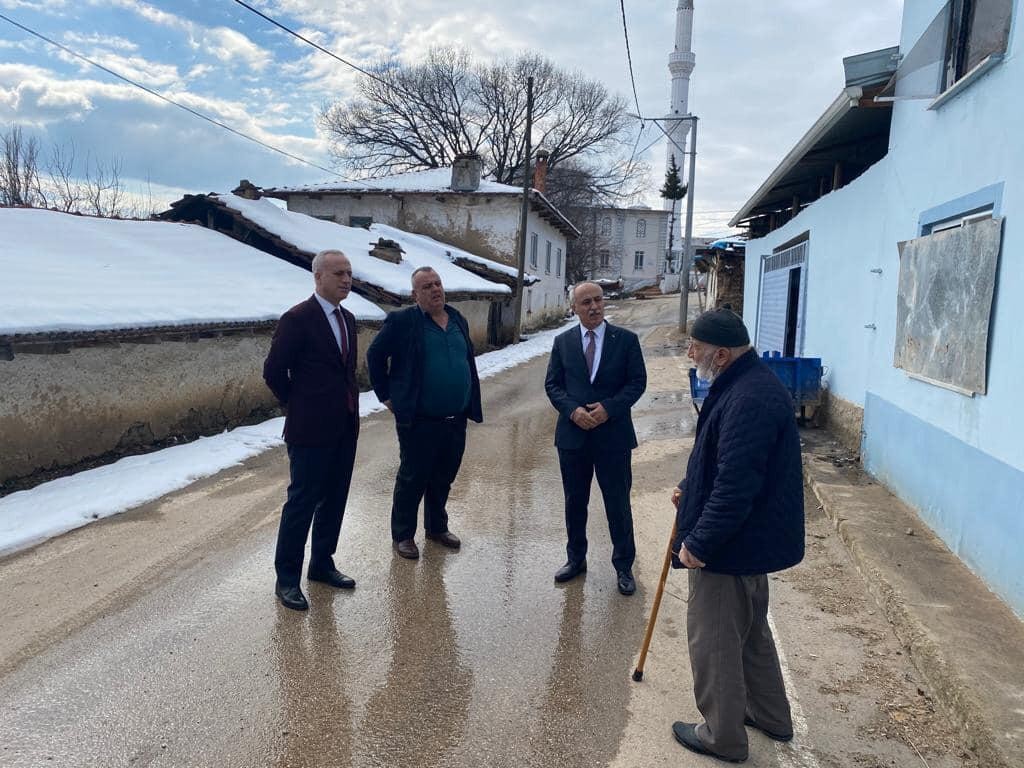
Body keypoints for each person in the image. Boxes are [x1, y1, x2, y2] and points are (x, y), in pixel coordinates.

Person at [669, 308, 805, 763]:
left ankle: (722, 736)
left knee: (716, 642)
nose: (690, 354)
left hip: (730, 546)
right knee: (750, 635)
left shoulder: (748, 396)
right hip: (750, 541)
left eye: (696, 348)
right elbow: (723, 459)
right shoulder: (748, 384)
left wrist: (698, 544)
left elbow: (736, 485)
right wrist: (690, 488)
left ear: (722, 354)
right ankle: (769, 714)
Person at [263, 249, 361, 612]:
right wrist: (299, 406)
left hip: (344, 427)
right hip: (309, 430)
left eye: (349, 273)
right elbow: (273, 371)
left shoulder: (348, 319)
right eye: (339, 273)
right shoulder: (297, 319)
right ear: (318, 277)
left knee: (335, 499)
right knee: (302, 502)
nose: (347, 279)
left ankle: (322, 564)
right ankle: (286, 579)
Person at [366, 266, 482, 560]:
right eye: (427, 286)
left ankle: (436, 527)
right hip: (419, 419)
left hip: (455, 417)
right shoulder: (403, 321)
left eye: (438, 283)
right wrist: (387, 396)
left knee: (444, 475)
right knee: (413, 477)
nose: (435, 290)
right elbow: (375, 356)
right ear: (415, 294)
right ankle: (403, 535)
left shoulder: (457, 319)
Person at [544, 281, 647, 595]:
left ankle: (624, 566)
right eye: (586, 302)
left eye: (598, 300)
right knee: (575, 503)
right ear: (574, 308)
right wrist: (573, 411)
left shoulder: (626, 341)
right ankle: (576, 560)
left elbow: (637, 382)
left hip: (612, 437)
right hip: (573, 438)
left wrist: (610, 409)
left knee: (617, 503)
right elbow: (553, 385)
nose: (593, 307)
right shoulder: (562, 342)